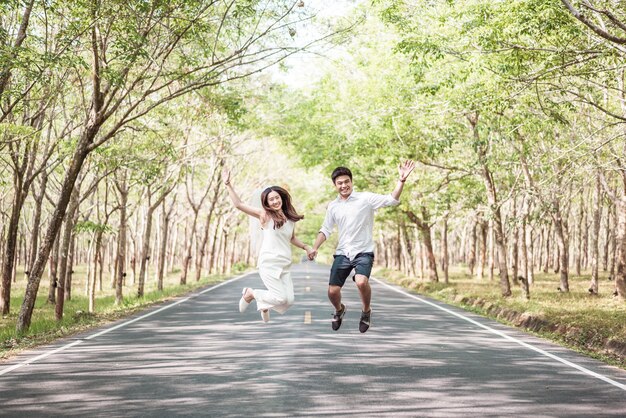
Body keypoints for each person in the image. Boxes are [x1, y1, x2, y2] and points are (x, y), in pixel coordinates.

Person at [308, 161, 416, 332]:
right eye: (340, 183)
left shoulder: (366, 198)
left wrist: (401, 181)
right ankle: (339, 310)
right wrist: (315, 247)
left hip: (364, 251)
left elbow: (392, 199)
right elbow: (325, 230)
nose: (344, 185)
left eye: (346, 182)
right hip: (343, 253)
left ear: (351, 182)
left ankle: (366, 311)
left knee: (361, 282)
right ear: (335, 185)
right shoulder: (333, 207)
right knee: (332, 292)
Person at [223, 168, 314, 323]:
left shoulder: (290, 219)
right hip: (269, 263)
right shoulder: (265, 215)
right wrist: (228, 184)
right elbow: (238, 204)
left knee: (289, 300)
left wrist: (306, 247)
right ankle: (251, 293)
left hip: (284, 264)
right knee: (280, 297)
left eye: (277, 198)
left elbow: (291, 238)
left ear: (282, 198)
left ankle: (263, 304)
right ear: (266, 203)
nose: (275, 201)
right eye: (271, 200)